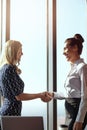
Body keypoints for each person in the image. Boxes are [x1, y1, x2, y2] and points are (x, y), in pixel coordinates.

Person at [0, 40, 52, 116]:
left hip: (7, 111)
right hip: (11, 113)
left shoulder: (3, 69)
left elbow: (3, 94)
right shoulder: (9, 69)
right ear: (13, 52)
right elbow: (19, 96)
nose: (22, 54)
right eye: (20, 51)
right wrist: (40, 95)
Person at [52, 34, 87, 130]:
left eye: (65, 49)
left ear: (75, 48)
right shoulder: (72, 68)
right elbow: (70, 93)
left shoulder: (82, 67)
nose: (63, 53)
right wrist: (53, 94)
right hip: (70, 110)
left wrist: (80, 120)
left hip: (76, 110)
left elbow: (85, 96)